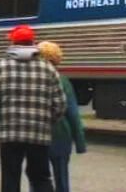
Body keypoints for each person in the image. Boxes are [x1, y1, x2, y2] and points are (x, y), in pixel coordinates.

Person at [0, 25, 67, 192]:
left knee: (10, 179)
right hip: (39, 134)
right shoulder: (48, 69)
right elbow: (60, 104)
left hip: (10, 134)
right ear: (33, 42)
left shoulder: (0, 67)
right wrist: (46, 122)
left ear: (13, 42)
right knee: (41, 178)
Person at [37, 41, 87, 192]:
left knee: (38, 179)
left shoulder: (31, 79)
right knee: (62, 179)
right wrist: (80, 142)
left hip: (36, 137)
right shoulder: (62, 80)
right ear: (57, 58)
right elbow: (73, 114)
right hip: (60, 136)